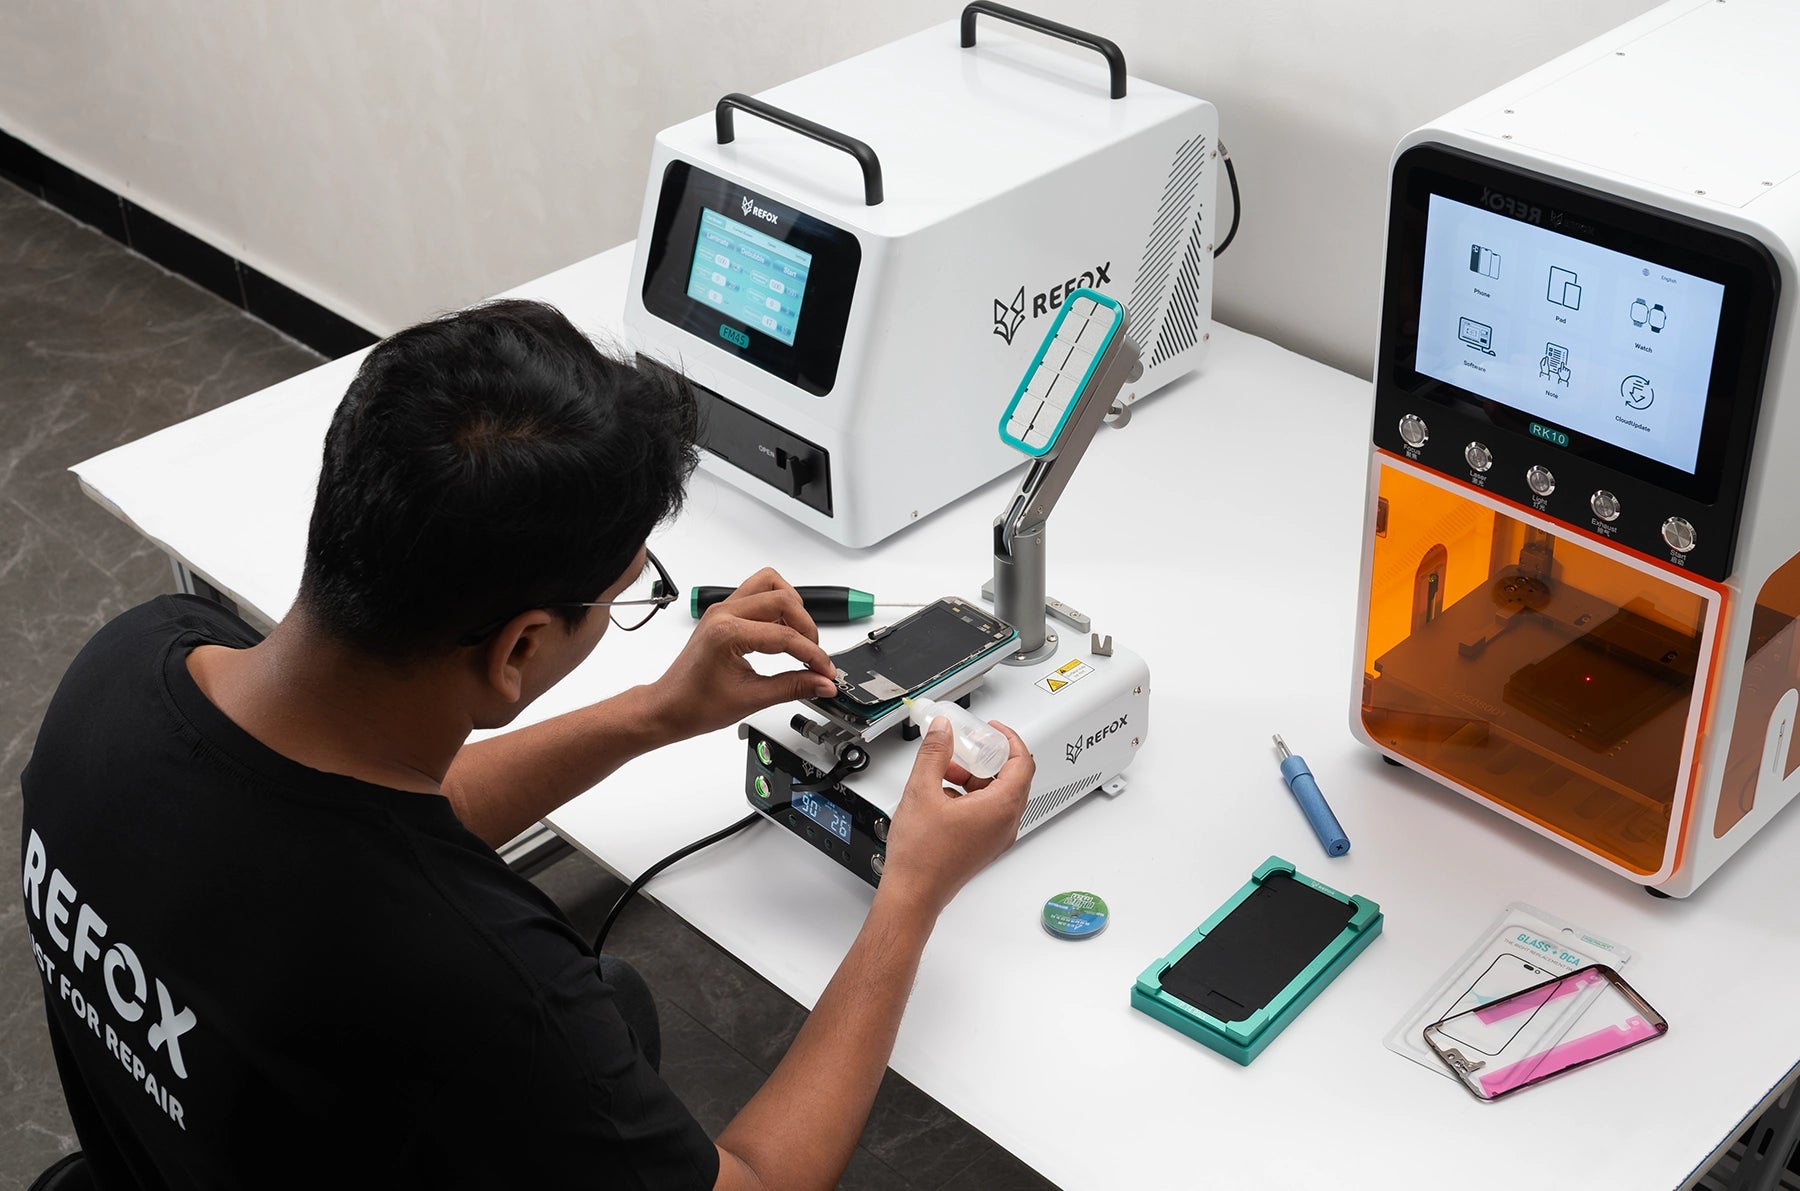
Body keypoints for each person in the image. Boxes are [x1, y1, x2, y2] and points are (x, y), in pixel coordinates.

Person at [19, 299, 1034, 1189]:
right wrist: (909, 892)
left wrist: (653, 712)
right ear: (518, 650)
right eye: (624, 595)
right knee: (601, 1023)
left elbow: (369, 818)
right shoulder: (472, 982)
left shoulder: (132, 661)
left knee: (612, 1011)